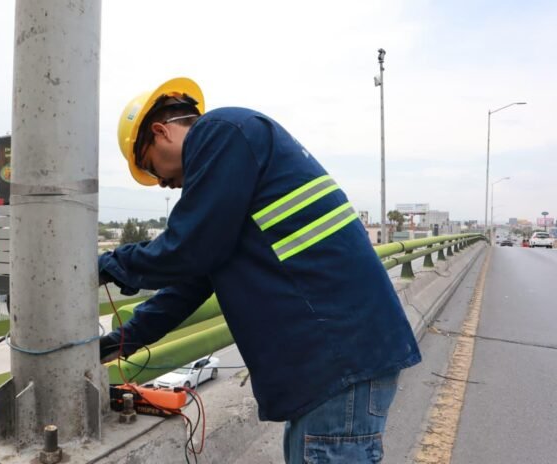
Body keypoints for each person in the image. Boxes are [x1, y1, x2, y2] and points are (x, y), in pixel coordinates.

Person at [98, 77, 421, 463]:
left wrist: (105, 266)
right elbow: (193, 279)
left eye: (153, 169)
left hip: (338, 360)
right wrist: (122, 340)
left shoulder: (221, 132)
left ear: (160, 131)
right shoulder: (234, 162)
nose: (164, 184)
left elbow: (187, 250)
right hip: (333, 363)